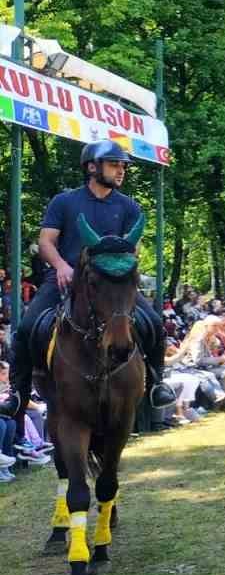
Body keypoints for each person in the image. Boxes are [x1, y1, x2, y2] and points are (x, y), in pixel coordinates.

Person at [2, 142, 176, 426]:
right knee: (25, 328)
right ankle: (18, 394)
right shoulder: (64, 201)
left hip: (112, 284)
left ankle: (157, 384)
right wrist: (61, 266)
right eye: (114, 164)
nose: (121, 170)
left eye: (123, 166)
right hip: (65, 278)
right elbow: (46, 242)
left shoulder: (129, 206)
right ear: (92, 167)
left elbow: (132, 250)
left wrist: (117, 272)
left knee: (155, 324)